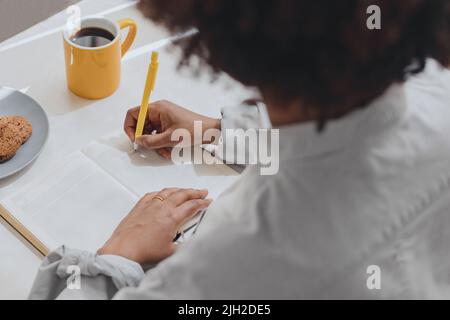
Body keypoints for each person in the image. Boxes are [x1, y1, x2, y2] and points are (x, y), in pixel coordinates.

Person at [29, 0, 450, 299]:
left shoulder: (229, 263)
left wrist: (117, 256)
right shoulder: (437, 88)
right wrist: (216, 132)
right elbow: (344, 140)